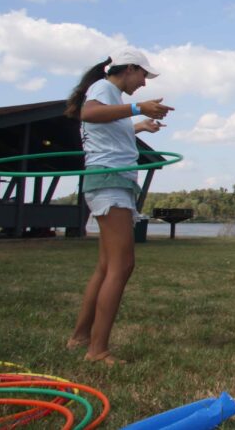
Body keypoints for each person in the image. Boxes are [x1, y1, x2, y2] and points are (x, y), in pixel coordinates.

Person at [64, 47, 173, 365]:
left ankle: (81, 337)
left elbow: (107, 127)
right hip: (109, 181)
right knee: (123, 265)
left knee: (106, 266)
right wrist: (139, 107)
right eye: (143, 75)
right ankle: (97, 351)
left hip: (111, 180)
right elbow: (90, 114)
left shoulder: (110, 94)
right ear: (129, 69)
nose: (143, 82)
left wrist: (140, 125)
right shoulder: (104, 88)